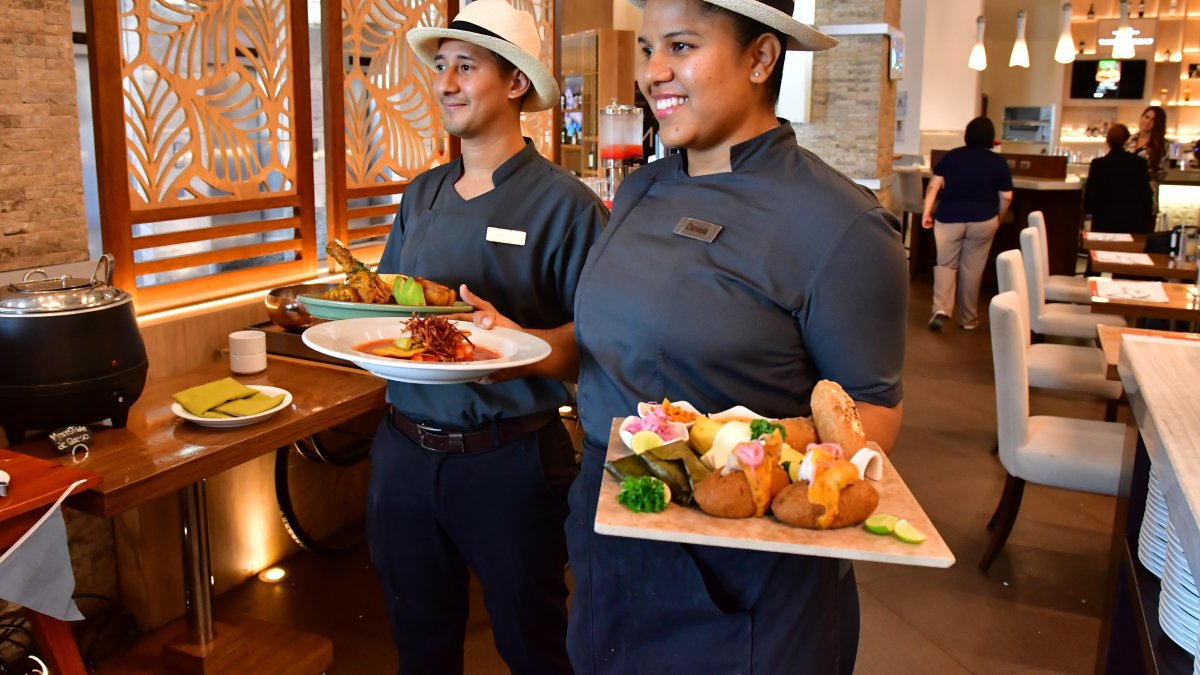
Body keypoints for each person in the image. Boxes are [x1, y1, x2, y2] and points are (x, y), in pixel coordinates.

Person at [567, 0, 907, 672]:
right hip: (612, 538)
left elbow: (872, 417)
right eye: (648, 49)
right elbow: (617, 343)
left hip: (742, 573)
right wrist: (518, 343)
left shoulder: (840, 224)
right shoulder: (639, 190)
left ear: (760, 57)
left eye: (681, 46)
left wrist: (733, 465)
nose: (653, 72)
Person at [367, 1, 607, 672]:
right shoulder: (421, 195)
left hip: (510, 460)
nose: (445, 82)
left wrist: (521, 343)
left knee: (534, 645)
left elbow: (596, 346)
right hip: (404, 454)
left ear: (515, 82)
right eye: (441, 65)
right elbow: (386, 308)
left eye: (466, 67)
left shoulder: (567, 205)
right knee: (419, 646)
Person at [921, 116, 1013, 331]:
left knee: (945, 264)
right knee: (972, 269)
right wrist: (998, 217)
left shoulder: (952, 156)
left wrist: (927, 212)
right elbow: (1006, 196)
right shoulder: (998, 162)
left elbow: (934, 186)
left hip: (948, 217)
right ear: (991, 138)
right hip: (983, 219)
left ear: (967, 135)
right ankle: (968, 319)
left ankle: (941, 308)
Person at [1084, 124, 1154, 234]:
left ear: (1108, 141)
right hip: (1133, 223)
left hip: (1104, 223)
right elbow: (1145, 195)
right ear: (1127, 141)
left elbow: (1090, 197)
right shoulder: (1139, 163)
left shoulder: (1098, 164)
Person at [1127, 105, 1167, 183]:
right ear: (1141, 117)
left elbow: (1161, 173)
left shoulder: (1162, 145)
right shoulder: (1129, 140)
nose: (1148, 122)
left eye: (1153, 120)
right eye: (1146, 117)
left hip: (1146, 187)